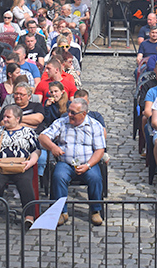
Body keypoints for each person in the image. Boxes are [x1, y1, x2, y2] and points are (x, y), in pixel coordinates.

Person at [40, 97, 106, 227]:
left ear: (83, 114)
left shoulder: (94, 125)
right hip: (66, 162)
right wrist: (53, 147)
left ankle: (95, 210)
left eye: (73, 113)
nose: (69, 115)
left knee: (95, 177)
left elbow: (100, 150)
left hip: (88, 163)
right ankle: (61, 211)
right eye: (69, 111)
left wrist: (88, 165)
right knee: (58, 176)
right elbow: (42, 136)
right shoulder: (61, 122)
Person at [0, 104, 40, 229]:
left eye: (8, 117)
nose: (5, 119)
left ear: (18, 118)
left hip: (21, 165)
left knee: (26, 183)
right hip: (2, 165)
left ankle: (29, 215)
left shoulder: (28, 132)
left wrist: (32, 161)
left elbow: (36, 150)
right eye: (4, 117)